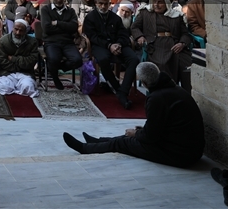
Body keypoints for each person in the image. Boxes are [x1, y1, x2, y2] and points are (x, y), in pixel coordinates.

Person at [63, 62, 205, 167]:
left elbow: (150, 137)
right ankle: (98, 141)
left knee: (124, 142)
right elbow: (160, 126)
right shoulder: (174, 89)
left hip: (180, 155)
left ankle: (84, 148)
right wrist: (139, 132)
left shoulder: (157, 98)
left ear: (143, 82)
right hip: (188, 149)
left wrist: (136, 134)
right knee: (130, 135)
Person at [83, 0, 140, 110]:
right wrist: (109, 46)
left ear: (110, 4)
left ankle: (122, 92)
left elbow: (124, 35)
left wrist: (118, 44)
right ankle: (118, 89)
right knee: (103, 59)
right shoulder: (90, 18)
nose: (103, 6)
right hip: (100, 46)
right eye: (101, 4)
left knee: (134, 59)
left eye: (106, 4)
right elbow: (93, 37)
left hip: (118, 45)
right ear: (96, 4)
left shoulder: (116, 18)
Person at [133, 0, 193, 92]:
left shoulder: (176, 16)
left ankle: (186, 95)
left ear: (166, 3)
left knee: (188, 66)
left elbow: (185, 34)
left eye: (160, 2)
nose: (156, 5)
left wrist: (182, 43)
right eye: (155, 2)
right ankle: (166, 94)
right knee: (163, 64)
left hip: (175, 45)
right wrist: (140, 36)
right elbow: (135, 27)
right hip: (156, 44)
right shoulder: (145, 13)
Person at [39, 0, 83, 89]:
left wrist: (58, 23)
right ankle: (55, 77)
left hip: (68, 42)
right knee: (53, 58)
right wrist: (65, 26)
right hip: (51, 42)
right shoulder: (45, 10)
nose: (59, 0)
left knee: (77, 60)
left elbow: (74, 27)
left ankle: (57, 67)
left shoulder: (70, 11)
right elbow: (46, 28)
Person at [0, 19, 38, 96]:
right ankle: (15, 86)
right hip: (7, 72)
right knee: (4, 88)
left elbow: (32, 60)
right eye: (16, 29)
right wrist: (19, 65)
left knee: (28, 87)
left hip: (25, 72)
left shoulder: (32, 42)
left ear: (25, 31)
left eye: (21, 30)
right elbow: (2, 61)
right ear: (13, 28)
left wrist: (14, 59)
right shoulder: (3, 41)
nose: (18, 33)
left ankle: (18, 86)